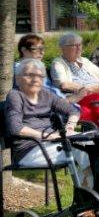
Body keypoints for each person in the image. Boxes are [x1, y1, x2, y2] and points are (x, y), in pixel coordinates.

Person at [6, 59, 92, 194]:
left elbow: (73, 111)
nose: (35, 79)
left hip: (52, 144)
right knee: (83, 150)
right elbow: (16, 128)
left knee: (91, 144)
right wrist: (50, 136)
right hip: (29, 150)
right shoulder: (15, 96)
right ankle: (91, 200)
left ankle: (87, 202)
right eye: (29, 75)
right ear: (18, 78)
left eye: (39, 76)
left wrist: (69, 128)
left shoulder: (46, 94)